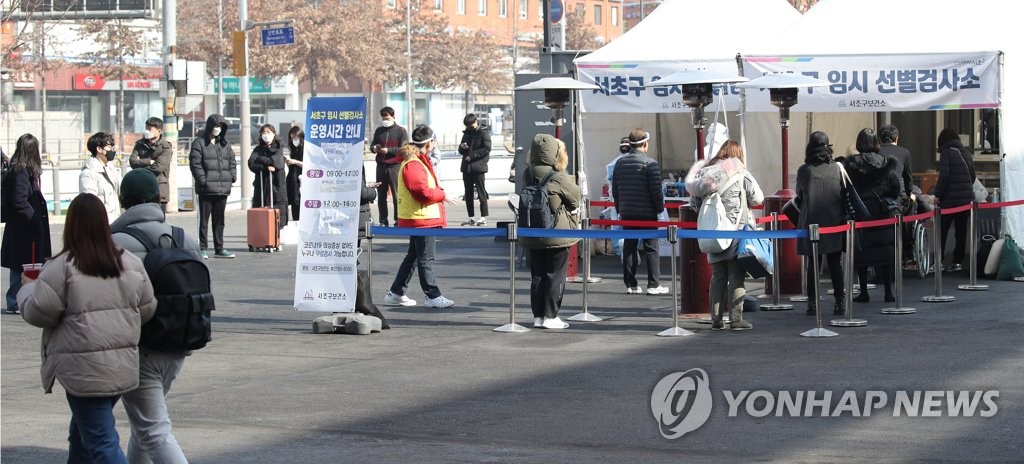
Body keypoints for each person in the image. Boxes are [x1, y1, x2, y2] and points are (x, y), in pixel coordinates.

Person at [18, 193, 157, 464]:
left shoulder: (61, 266)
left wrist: (27, 289)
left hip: (83, 369)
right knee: (83, 436)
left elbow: (39, 312)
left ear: (71, 226)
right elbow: (148, 308)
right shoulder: (129, 261)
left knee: (101, 441)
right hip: (121, 365)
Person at [111, 168, 199, 464]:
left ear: (123, 200)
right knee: (144, 425)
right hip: (179, 342)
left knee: (153, 429)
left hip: (139, 346)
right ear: (158, 199)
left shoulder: (116, 242)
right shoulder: (183, 237)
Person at [685, 140, 764, 330]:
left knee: (718, 277)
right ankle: (736, 320)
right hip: (737, 233)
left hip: (714, 232)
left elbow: (694, 205)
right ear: (738, 155)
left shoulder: (705, 174)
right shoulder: (742, 174)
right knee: (736, 277)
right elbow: (758, 198)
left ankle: (716, 320)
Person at [382, 126, 456, 309]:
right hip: (422, 218)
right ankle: (432, 295)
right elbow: (422, 192)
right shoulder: (414, 163)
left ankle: (396, 292)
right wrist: (442, 195)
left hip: (418, 216)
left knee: (414, 256)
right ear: (429, 143)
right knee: (426, 258)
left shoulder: (414, 161)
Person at [519, 134, 581, 329]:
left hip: (531, 231)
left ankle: (538, 316)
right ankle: (551, 316)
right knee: (555, 275)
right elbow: (574, 199)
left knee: (537, 275)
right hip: (556, 233)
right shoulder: (559, 175)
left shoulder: (527, 174)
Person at [842, 128, 904, 303]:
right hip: (882, 213)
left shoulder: (851, 164)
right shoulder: (886, 162)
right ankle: (888, 292)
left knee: (862, 253)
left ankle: (863, 291)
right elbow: (895, 189)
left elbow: (845, 188)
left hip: (861, 214)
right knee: (884, 251)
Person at [793, 132, 848, 315]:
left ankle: (812, 303)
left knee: (813, 264)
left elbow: (799, 195)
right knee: (834, 262)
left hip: (812, 220)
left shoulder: (805, 170)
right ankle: (840, 302)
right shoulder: (837, 168)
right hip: (834, 221)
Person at [611, 128, 668, 295]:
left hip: (627, 212)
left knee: (629, 247)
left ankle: (631, 284)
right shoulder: (650, 164)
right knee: (651, 248)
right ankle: (653, 284)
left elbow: (615, 189)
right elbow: (656, 192)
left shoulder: (619, 163)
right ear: (645, 144)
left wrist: (620, 208)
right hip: (647, 214)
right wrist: (659, 211)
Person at [1, 134, 53, 314]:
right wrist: (35, 219)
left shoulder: (24, 170)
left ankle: (19, 300)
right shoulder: (20, 171)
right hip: (23, 228)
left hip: (23, 227)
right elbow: (19, 201)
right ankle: (14, 302)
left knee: (25, 264)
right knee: (21, 264)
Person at [189, 114, 237, 259]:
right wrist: (203, 180)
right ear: (210, 126)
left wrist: (232, 176)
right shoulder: (199, 143)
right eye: (216, 126)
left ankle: (219, 248)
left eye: (221, 126)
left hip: (223, 188)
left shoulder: (225, 144)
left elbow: (232, 162)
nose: (218, 129)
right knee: (204, 221)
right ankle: (203, 248)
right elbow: (195, 164)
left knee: (219, 220)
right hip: (206, 189)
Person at [934, 128, 976, 272]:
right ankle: (957, 262)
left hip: (949, 200)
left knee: (942, 230)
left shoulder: (946, 153)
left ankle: (939, 261)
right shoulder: (966, 152)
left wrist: (937, 194)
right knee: (961, 231)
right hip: (965, 199)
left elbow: (944, 176)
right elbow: (973, 177)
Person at [878, 124, 917, 266]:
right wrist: (910, 193)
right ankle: (907, 252)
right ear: (897, 138)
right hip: (898, 195)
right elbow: (908, 177)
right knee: (908, 215)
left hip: (878, 195)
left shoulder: (875, 151)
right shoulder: (904, 152)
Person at [370, 107, 410, 227]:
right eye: (383, 118)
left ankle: (398, 220)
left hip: (395, 166)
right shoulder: (379, 131)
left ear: (393, 117)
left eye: (386, 118)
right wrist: (374, 148)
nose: (384, 120)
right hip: (381, 166)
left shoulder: (401, 131)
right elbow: (372, 146)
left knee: (397, 195)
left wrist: (389, 150)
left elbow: (404, 149)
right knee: (381, 196)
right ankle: (383, 220)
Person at [129, 116, 174, 212]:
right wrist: (148, 161)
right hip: (142, 189)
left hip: (159, 190)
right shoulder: (140, 144)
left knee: (159, 221)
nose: (147, 131)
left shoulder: (165, 147)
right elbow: (132, 162)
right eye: (146, 128)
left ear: (159, 131)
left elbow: (157, 168)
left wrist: (140, 168)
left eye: (150, 129)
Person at [249, 124, 288, 229]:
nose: (265, 135)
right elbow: (251, 163)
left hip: (276, 186)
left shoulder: (278, 147)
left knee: (276, 217)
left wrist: (260, 159)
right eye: (263, 133)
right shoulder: (258, 149)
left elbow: (277, 162)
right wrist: (265, 167)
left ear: (273, 134)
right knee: (261, 216)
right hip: (261, 186)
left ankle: (276, 241)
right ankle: (262, 239)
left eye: (268, 132)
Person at [80, 131, 123, 223]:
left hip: (115, 222)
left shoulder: (112, 169)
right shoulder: (88, 174)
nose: (113, 150)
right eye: (110, 147)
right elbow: (89, 204)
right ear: (99, 149)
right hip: (100, 225)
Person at [458, 113, 491, 226]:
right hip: (466, 168)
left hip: (478, 167)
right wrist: (462, 148)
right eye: (467, 126)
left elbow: (486, 149)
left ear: (476, 121)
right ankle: (471, 217)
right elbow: (460, 149)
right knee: (468, 193)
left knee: (481, 192)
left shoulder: (483, 132)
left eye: (471, 125)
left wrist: (472, 156)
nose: (469, 127)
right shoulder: (466, 133)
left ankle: (483, 217)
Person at [285, 127, 305, 221]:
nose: (294, 140)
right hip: (294, 182)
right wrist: (289, 162)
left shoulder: (306, 149)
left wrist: (294, 162)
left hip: (304, 182)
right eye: (292, 138)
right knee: (295, 205)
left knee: (301, 205)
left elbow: (309, 166)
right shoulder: (293, 149)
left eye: (295, 138)